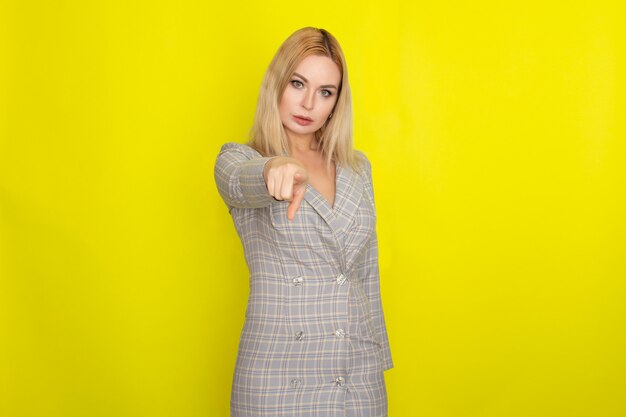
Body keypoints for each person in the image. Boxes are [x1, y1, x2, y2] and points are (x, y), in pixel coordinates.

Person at [214, 26, 393, 417]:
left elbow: (365, 273)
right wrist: (272, 169)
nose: (309, 103)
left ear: (336, 102)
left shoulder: (357, 169)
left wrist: (376, 360)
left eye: (325, 92)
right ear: (277, 83)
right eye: (298, 83)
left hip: (355, 378)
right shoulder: (241, 159)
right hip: (278, 381)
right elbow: (236, 183)